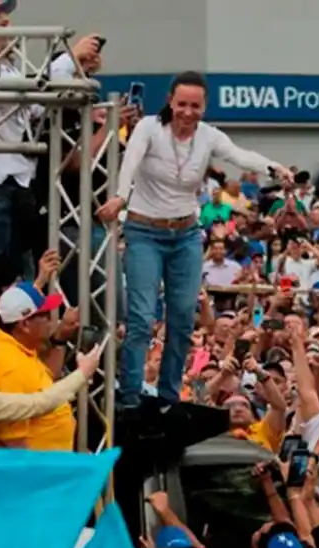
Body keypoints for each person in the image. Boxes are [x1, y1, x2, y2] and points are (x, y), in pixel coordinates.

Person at [95, 70, 292, 410]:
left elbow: (239, 156)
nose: (187, 112)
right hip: (144, 231)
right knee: (142, 316)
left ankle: (169, 398)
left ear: (204, 107)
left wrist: (274, 168)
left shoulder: (208, 137)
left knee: (184, 317)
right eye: (182, 104)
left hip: (185, 234)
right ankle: (129, 396)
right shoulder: (149, 129)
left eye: (195, 106)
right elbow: (130, 163)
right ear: (170, 101)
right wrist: (119, 198)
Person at [0, 0, 101, 277]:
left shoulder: (10, 70)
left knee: (26, 265)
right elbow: (21, 95)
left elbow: (37, 105)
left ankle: (23, 313)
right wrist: (66, 59)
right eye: (1, 22)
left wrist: (73, 67)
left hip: (20, 179)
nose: (10, 26)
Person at [0, 283, 82, 451]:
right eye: (45, 315)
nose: (51, 320)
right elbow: (13, 445)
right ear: (24, 324)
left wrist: (60, 338)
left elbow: (43, 383)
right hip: (40, 470)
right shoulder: (9, 367)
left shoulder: (17, 347)